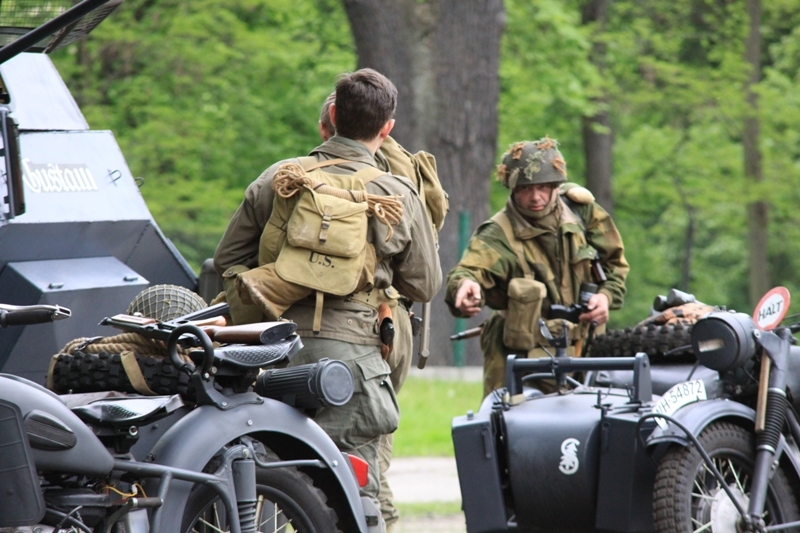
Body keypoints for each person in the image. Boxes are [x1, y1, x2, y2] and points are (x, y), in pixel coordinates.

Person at [214, 69, 442, 528]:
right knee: (354, 496)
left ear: (333, 115)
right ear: (387, 128)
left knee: (268, 488)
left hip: (272, 354)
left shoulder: (281, 177)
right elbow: (425, 285)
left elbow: (227, 259)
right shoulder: (397, 193)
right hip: (353, 366)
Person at [445, 137, 629, 398]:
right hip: (520, 358)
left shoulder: (581, 212)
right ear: (512, 189)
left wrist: (605, 297)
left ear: (556, 186)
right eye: (525, 189)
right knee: (506, 419)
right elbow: (469, 270)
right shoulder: (497, 234)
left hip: (585, 351)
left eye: (543, 187)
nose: (535, 197)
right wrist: (465, 286)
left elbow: (615, 264)